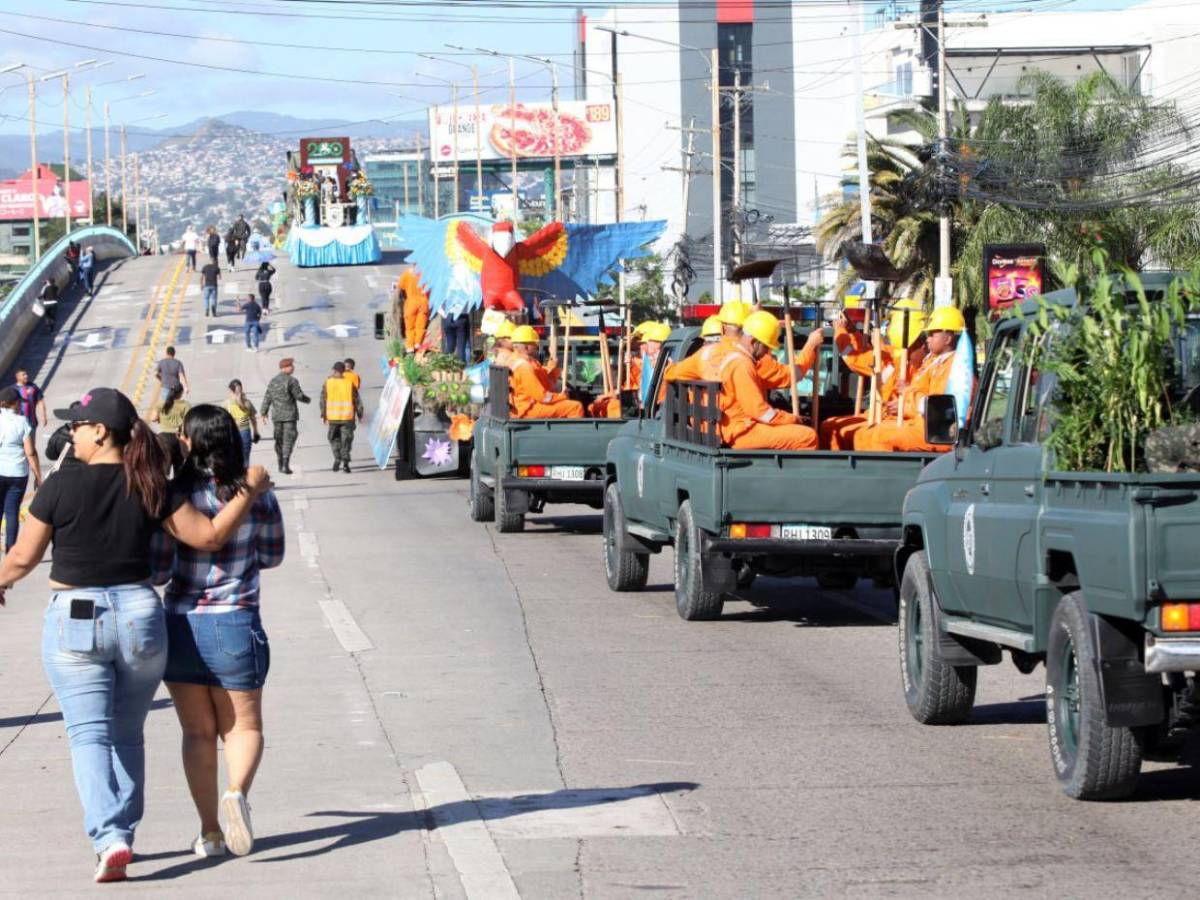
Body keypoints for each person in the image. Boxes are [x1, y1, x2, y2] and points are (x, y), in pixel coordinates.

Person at [0, 388, 270, 883]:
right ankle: (123, 829)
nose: (72, 434)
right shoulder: (149, 483)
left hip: (77, 616)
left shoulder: (60, 485)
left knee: (89, 734)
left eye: (78, 426)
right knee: (127, 732)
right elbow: (208, 536)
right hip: (141, 615)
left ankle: (110, 838)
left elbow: (21, 557)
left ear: (100, 432)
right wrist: (249, 491)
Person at [158, 405, 284, 859]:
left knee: (197, 732)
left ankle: (210, 832)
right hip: (234, 618)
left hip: (180, 623)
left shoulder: (175, 496)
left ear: (190, 443)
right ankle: (236, 792)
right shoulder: (255, 494)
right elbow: (271, 554)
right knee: (243, 726)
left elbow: (159, 568)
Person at [853, 306, 967, 453]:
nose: (928, 339)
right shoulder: (934, 362)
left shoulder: (955, 368)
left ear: (948, 339)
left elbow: (936, 408)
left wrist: (906, 397)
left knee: (878, 436)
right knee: (868, 433)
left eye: (932, 334)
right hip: (922, 425)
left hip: (939, 433)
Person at [820, 299, 927, 450]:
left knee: (870, 436)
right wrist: (851, 332)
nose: (907, 355)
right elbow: (862, 356)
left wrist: (840, 331)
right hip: (884, 414)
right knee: (829, 426)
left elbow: (854, 358)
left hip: (900, 420)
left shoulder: (930, 367)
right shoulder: (893, 356)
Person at [716, 311, 819, 451]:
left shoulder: (727, 354)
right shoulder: (742, 364)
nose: (767, 353)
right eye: (766, 347)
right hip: (743, 430)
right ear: (753, 342)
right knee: (807, 436)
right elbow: (761, 412)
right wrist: (793, 419)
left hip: (736, 426)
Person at [508, 326, 583, 419]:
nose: (537, 346)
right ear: (527, 347)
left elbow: (544, 377)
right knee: (575, 407)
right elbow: (542, 396)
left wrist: (553, 363)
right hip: (528, 409)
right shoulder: (524, 367)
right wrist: (561, 396)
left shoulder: (522, 361)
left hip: (529, 404)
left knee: (567, 404)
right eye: (534, 344)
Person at [0, 386, 42, 551]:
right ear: (14, 403)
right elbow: (30, 451)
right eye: (19, 402)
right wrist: (38, 476)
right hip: (17, 473)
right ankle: (11, 549)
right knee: (11, 512)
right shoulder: (21, 421)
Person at [261, 358, 310, 474]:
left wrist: (264, 412)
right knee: (288, 439)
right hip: (289, 416)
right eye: (290, 366)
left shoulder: (273, 381)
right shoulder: (292, 381)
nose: (293, 368)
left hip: (277, 416)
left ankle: (280, 464)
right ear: (284, 368)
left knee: (279, 440)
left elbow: (267, 397)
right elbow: (299, 396)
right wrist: (308, 400)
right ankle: (285, 465)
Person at [321, 361, 363, 473]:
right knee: (346, 441)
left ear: (334, 370)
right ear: (343, 371)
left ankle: (337, 457)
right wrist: (360, 414)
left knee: (333, 439)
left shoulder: (328, 383)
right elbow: (357, 400)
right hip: (347, 417)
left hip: (333, 418)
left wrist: (323, 415)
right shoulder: (349, 383)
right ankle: (345, 463)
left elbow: (323, 400)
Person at [224, 380, 260, 464]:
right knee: (245, 460)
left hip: (231, 433)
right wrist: (255, 432)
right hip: (245, 432)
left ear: (230, 390)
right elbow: (253, 419)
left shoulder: (226, 404)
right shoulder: (247, 403)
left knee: (232, 460)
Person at [399, 266, 429, 352]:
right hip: (423, 303)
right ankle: (417, 343)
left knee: (410, 327)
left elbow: (401, 286)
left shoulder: (407, 273)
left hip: (411, 302)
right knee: (420, 326)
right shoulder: (427, 273)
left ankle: (410, 347)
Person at [15, 368, 47, 440]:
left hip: (32, 422)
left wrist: (43, 416)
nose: (26, 376)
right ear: (17, 376)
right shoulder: (13, 390)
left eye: (26, 374)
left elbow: (40, 401)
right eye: (23, 375)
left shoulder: (33, 386)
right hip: (18, 424)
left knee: (32, 443)